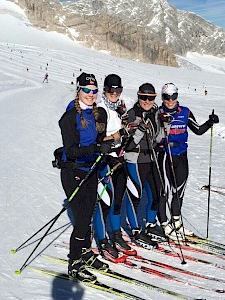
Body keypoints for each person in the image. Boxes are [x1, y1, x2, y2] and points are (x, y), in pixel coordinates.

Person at [59, 72, 114, 282]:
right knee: (81, 221)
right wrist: (98, 147)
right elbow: (72, 150)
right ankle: (74, 264)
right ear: (79, 90)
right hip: (73, 171)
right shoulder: (69, 117)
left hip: (91, 170)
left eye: (93, 91)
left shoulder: (98, 114)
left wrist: (111, 146)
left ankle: (85, 253)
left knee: (89, 215)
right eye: (86, 90)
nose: (90, 94)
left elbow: (99, 141)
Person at [157, 83, 219, 239]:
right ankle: (164, 224)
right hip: (165, 154)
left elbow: (197, 130)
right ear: (162, 97)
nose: (170, 101)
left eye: (174, 97)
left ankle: (176, 222)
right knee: (164, 190)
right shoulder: (157, 112)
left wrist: (210, 122)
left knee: (179, 190)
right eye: (167, 97)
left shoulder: (185, 112)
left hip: (182, 154)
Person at [92, 74, 137, 261]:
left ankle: (116, 234)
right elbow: (98, 139)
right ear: (104, 90)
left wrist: (127, 133)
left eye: (118, 90)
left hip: (118, 159)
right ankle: (102, 241)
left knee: (118, 200)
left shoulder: (118, 108)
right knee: (105, 202)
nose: (114, 93)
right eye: (111, 90)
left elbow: (121, 134)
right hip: (104, 160)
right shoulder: (101, 110)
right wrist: (119, 135)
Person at [123, 83, 167, 249]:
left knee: (157, 193)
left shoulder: (156, 113)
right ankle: (135, 230)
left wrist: (165, 126)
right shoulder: (132, 114)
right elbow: (128, 144)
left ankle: (149, 225)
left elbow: (157, 139)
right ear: (138, 96)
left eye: (151, 98)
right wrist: (140, 129)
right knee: (135, 195)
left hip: (151, 158)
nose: (147, 101)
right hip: (135, 159)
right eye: (144, 98)